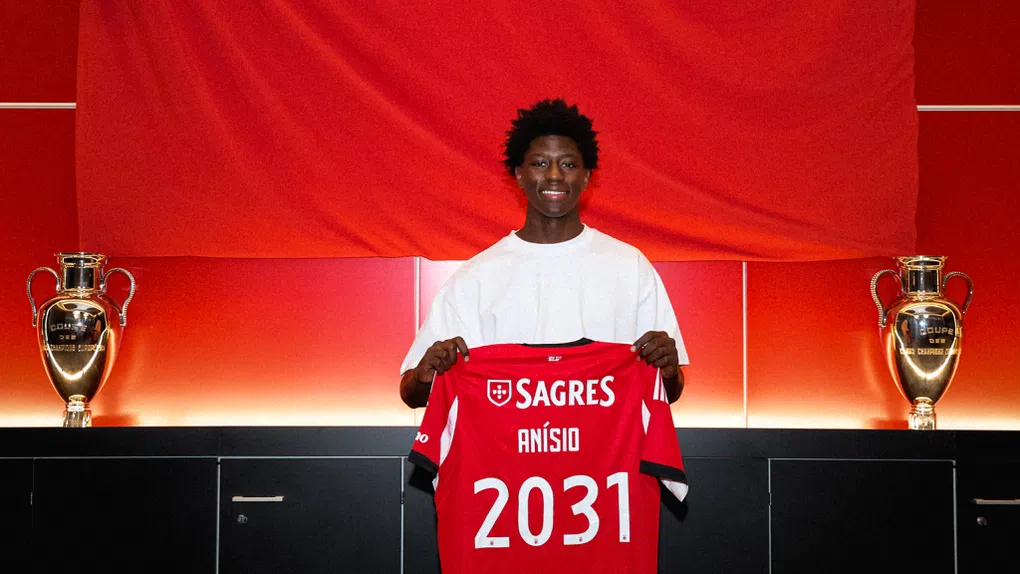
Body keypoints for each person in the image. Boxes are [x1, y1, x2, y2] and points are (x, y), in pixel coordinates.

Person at [399, 98, 688, 409]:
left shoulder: (630, 267)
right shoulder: (476, 277)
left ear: (587, 176)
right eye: (539, 163)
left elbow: (669, 390)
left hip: (607, 458)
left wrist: (669, 370)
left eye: (568, 164)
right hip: (508, 456)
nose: (554, 175)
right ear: (519, 174)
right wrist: (424, 375)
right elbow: (412, 393)